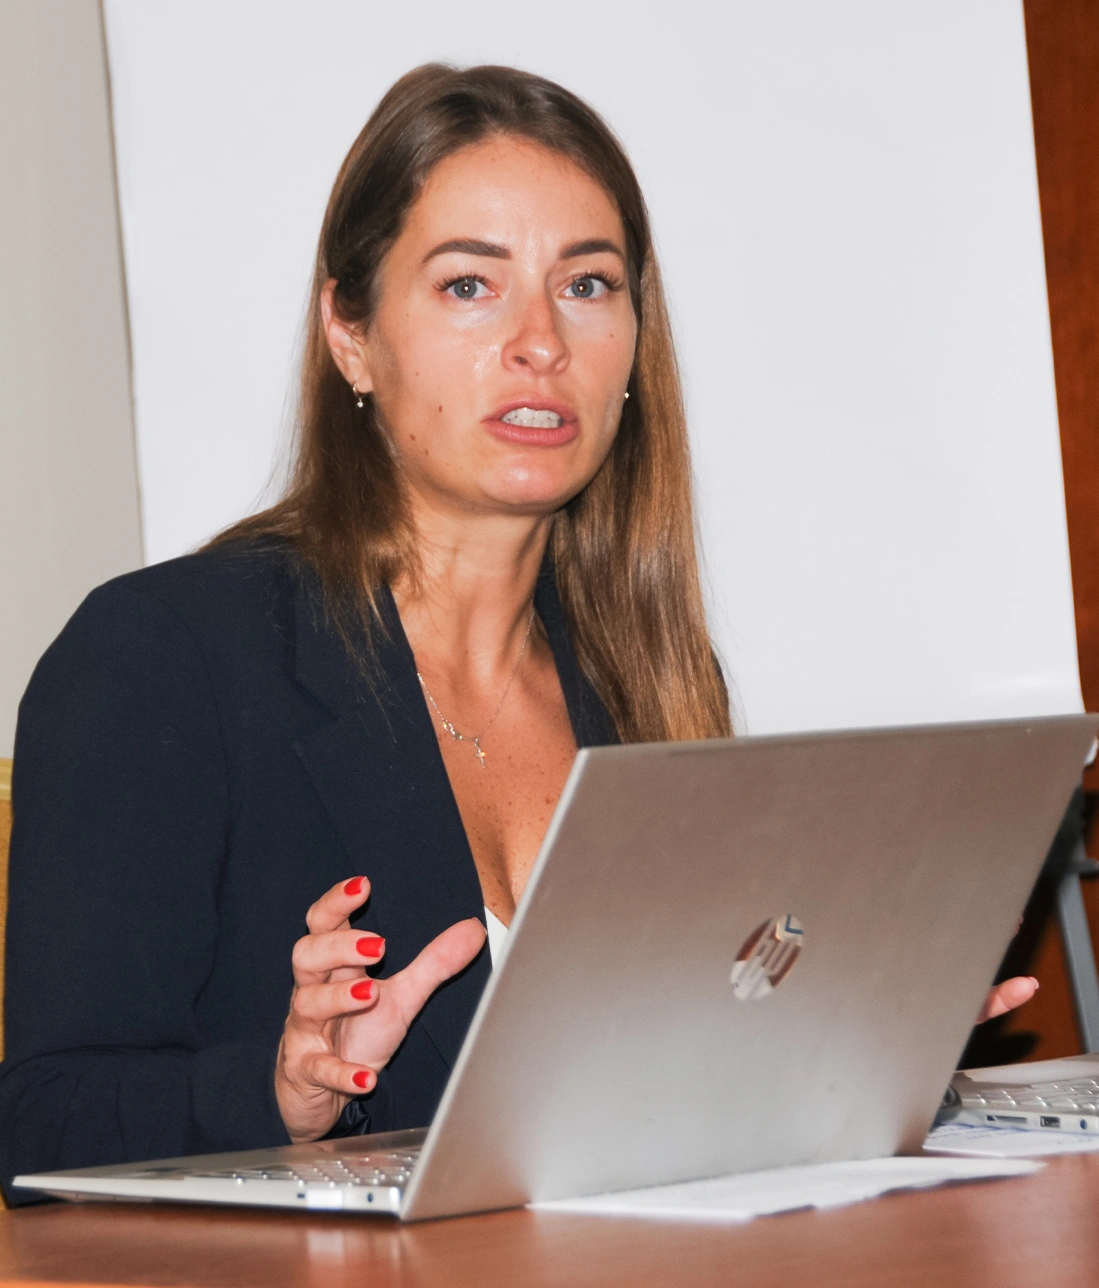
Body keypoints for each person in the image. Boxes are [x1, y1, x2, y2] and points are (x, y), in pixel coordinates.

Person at [0, 64, 1034, 1204]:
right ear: (350, 333)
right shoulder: (162, 655)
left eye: (586, 285)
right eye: (468, 286)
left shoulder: (648, 680)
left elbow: (648, 1116)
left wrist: (853, 1050)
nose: (541, 340)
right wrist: (280, 1091)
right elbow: (38, 1124)